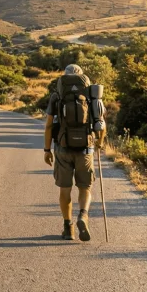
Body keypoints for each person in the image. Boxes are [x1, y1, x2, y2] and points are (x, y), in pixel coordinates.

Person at [43, 64, 106, 241]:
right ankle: (83, 216)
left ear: (64, 77)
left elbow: (48, 125)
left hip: (63, 148)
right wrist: (100, 142)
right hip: (85, 148)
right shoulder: (91, 96)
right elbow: (101, 123)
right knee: (85, 187)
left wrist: (47, 150)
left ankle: (68, 227)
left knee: (65, 189)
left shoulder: (57, 96)